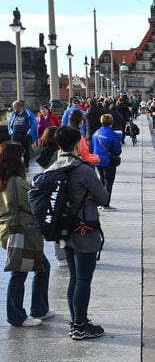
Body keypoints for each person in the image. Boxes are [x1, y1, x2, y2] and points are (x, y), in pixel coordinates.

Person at [47, 126, 109, 340]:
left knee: (74, 278)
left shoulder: (53, 167)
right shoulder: (83, 170)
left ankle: (76, 321)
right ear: (77, 145)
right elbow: (103, 197)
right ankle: (80, 326)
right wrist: (91, 194)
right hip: (85, 229)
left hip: (64, 230)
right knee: (83, 279)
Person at [1, 141, 51, 327]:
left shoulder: (5, 180)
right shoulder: (17, 182)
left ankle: (39, 308)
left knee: (41, 267)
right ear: (16, 159)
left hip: (9, 230)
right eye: (21, 155)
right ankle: (16, 316)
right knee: (19, 273)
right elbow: (30, 206)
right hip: (20, 231)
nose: (24, 158)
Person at [92, 113, 122, 211]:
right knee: (108, 182)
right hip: (108, 161)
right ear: (111, 122)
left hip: (97, 160)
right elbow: (117, 150)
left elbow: (93, 145)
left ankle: (99, 202)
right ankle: (105, 204)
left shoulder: (96, 133)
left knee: (101, 181)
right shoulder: (113, 134)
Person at [7, 101, 37, 167]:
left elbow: (34, 123)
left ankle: (26, 164)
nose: (14, 108)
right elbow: (9, 123)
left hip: (25, 135)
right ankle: (16, 164)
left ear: (19, 107)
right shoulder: (13, 113)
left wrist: (30, 132)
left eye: (15, 107)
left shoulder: (28, 113)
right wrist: (11, 132)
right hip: (15, 135)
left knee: (26, 150)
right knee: (14, 150)